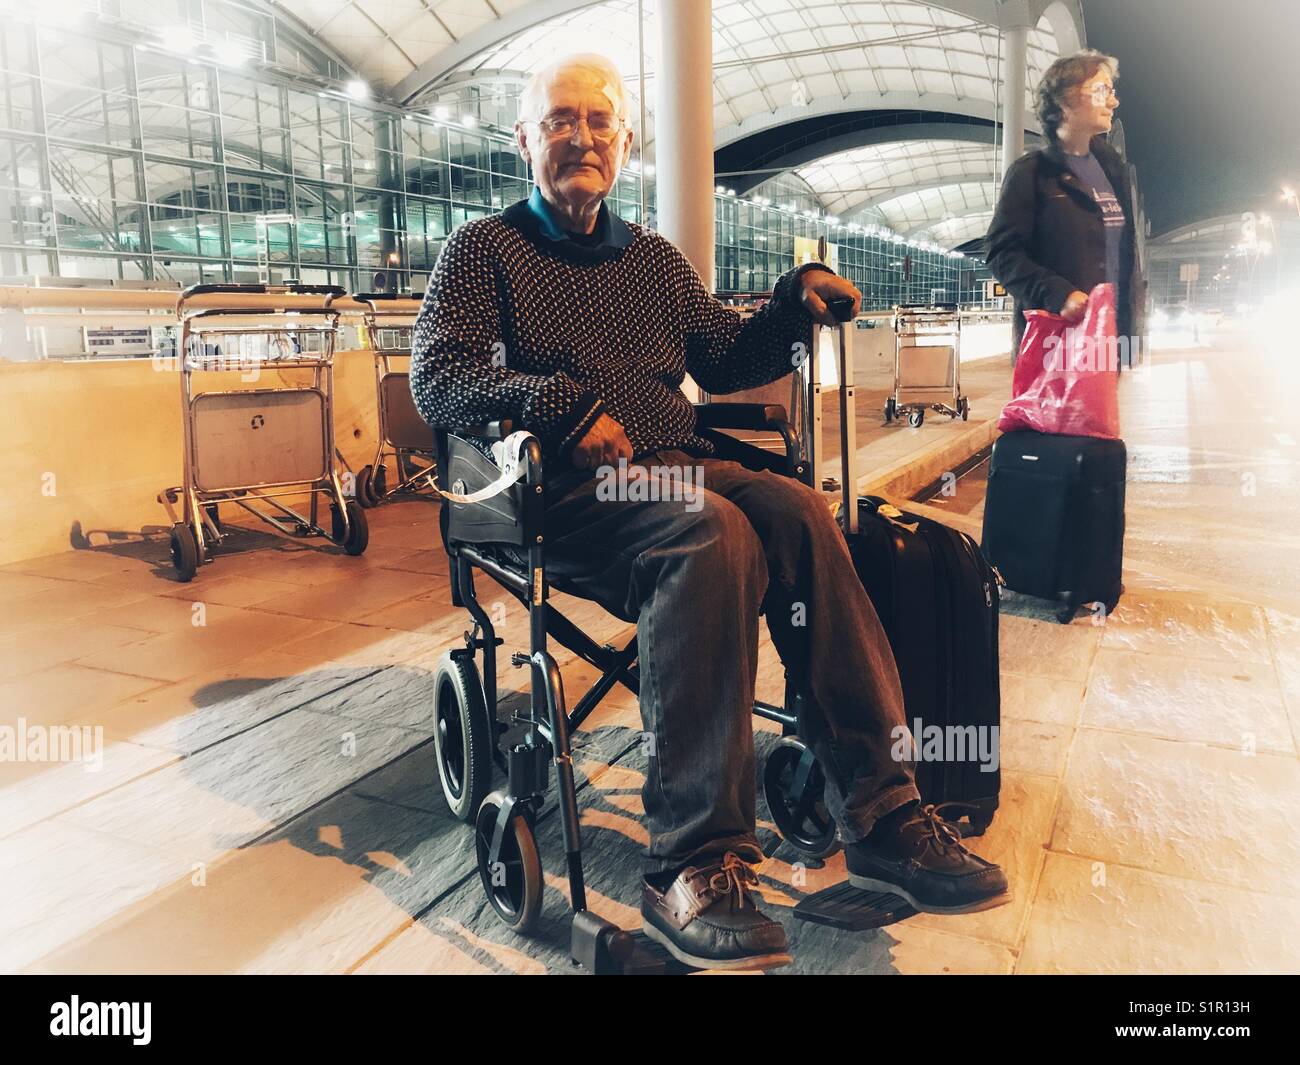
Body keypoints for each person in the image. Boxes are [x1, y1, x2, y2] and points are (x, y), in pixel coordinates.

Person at [410, 53, 1009, 971]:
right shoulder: (484, 251)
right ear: (526, 140)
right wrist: (557, 404)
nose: (581, 137)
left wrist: (791, 300)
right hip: (568, 495)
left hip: (680, 469)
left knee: (800, 510)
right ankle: (691, 856)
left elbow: (725, 356)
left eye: (599, 122)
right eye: (560, 120)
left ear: (625, 143)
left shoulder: (649, 259)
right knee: (714, 530)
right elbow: (438, 378)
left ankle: (884, 810)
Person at [986, 49, 1146, 362]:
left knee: (1099, 413)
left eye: (1111, 91)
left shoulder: (1113, 169)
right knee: (1063, 413)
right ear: (1064, 101)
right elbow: (1001, 253)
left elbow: (1123, 256)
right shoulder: (1031, 173)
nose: (1113, 101)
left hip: (1106, 339)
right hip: (1056, 342)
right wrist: (1059, 294)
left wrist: (1128, 335)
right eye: (1101, 91)